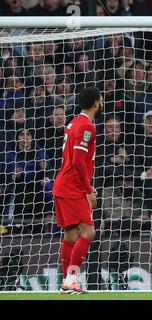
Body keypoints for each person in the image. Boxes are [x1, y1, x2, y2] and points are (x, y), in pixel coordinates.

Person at [52, 87, 103, 294]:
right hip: (72, 187)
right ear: (96, 103)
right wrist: (88, 190)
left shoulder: (74, 122)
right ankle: (71, 278)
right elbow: (78, 162)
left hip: (63, 185)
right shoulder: (87, 127)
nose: (102, 102)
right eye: (100, 100)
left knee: (71, 236)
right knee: (89, 232)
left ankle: (66, 283)